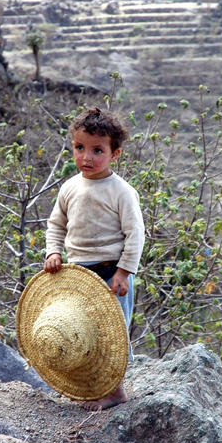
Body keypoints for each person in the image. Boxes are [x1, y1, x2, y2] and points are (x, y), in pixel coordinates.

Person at [44, 106, 145, 411]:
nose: (86, 157)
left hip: (111, 272)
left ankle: (114, 390)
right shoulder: (69, 187)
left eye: (97, 150)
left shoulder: (121, 192)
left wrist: (124, 272)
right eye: (79, 148)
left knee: (111, 332)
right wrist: (53, 252)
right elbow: (56, 225)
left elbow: (135, 235)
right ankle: (89, 386)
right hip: (78, 273)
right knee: (81, 331)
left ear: (115, 154)